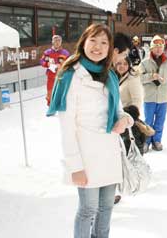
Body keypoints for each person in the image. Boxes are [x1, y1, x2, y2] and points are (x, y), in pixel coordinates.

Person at [47, 24, 133, 238]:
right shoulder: (70, 76)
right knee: (88, 210)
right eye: (93, 40)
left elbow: (120, 111)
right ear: (83, 42)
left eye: (104, 42)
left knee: (107, 208)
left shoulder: (109, 74)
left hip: (109, 151)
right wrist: (75, 166)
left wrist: (125, 120)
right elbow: (67, 127)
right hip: (86, 155)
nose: (98, 47)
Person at [140, 35, 167, 152]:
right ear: (152, 48)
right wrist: (151, 76)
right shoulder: (145, 62)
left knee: (160, 121)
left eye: (160, 47)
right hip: (149, 97)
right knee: (148, 121)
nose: (158, 49)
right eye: (156, 47)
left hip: (163, 97)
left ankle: (157, 141)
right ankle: (146, 142)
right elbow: (138, 78)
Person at [40, 35, 70, 106]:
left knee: (61, 91)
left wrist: (63, 65)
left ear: (61, 42)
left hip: (61, 76)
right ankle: (50, 106)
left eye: (59, 41)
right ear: (52, 41)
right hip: (51, 76)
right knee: (50, 91)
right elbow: (41, 61)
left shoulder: (65, 53)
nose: (57, 42)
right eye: (55, 40)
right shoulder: (47, 52)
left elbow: (70, 64)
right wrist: (47, 64)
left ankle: (61, 105)